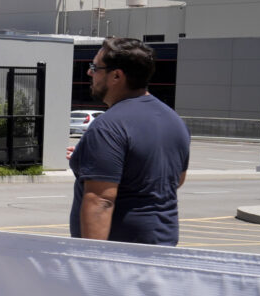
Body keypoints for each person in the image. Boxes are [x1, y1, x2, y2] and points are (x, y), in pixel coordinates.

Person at [70, 36, 190, 246]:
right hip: (164, 246)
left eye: (95, 67)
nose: (90, 72)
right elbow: (175, 180)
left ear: (116, 76)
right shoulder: (174, 121)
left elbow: (101, 201)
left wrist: (90, 262)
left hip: (122, 258)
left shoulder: (108, 126)